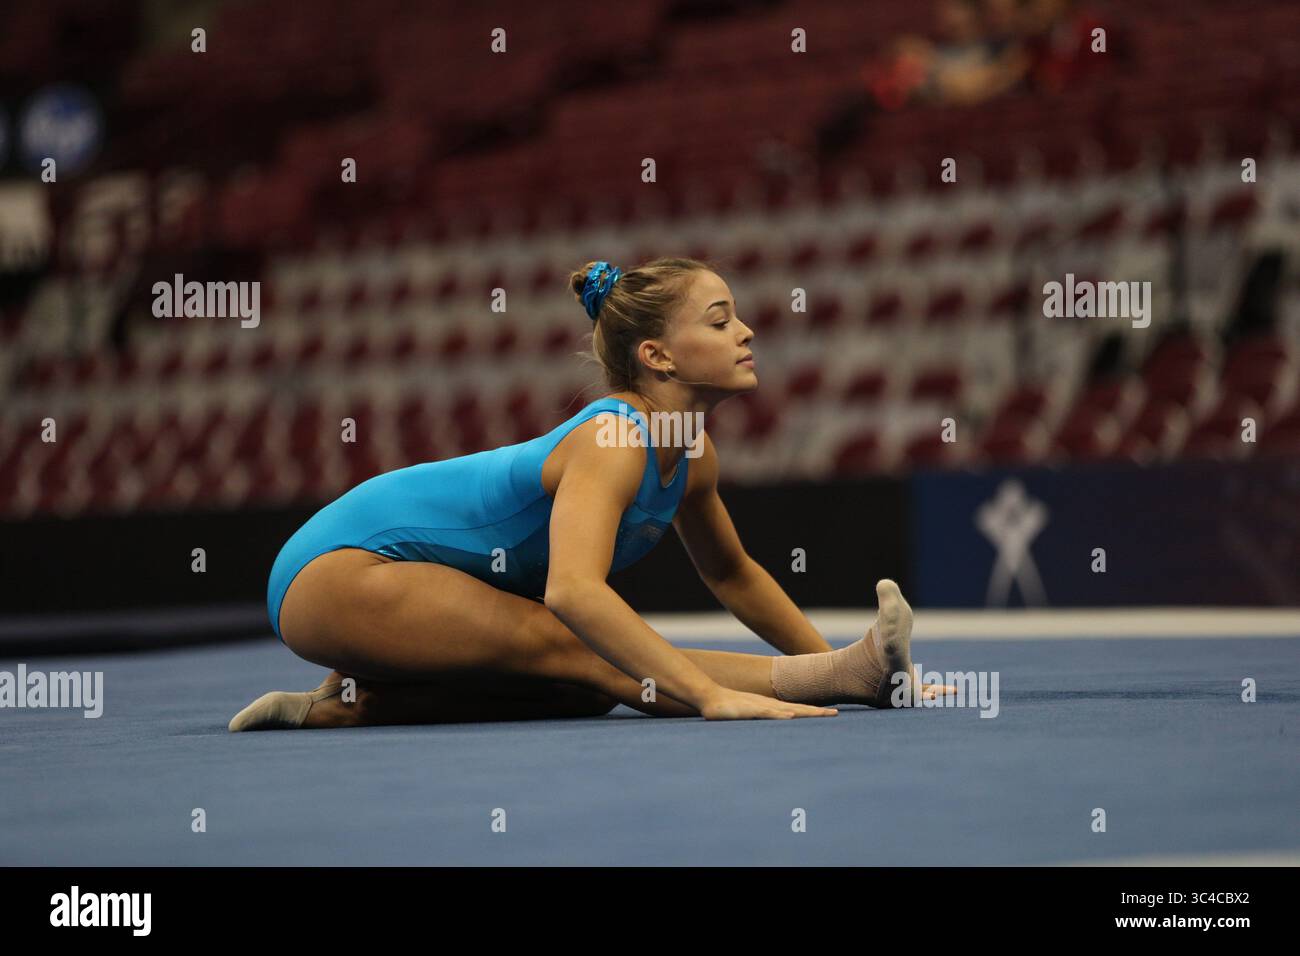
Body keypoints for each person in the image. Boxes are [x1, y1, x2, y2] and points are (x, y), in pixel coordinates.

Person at [230, 257, 952, 730]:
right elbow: (573, 594)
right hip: (337, 569)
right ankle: (842, 674)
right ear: (657, 356)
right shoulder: (616, 438)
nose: (747, 330)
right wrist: (715, 695)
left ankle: (346, 709)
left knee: (581, 690)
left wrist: (852, 672)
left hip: (407, 583)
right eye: (721, 318)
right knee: (588, 654)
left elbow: (732, 574)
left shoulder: (691, 453)